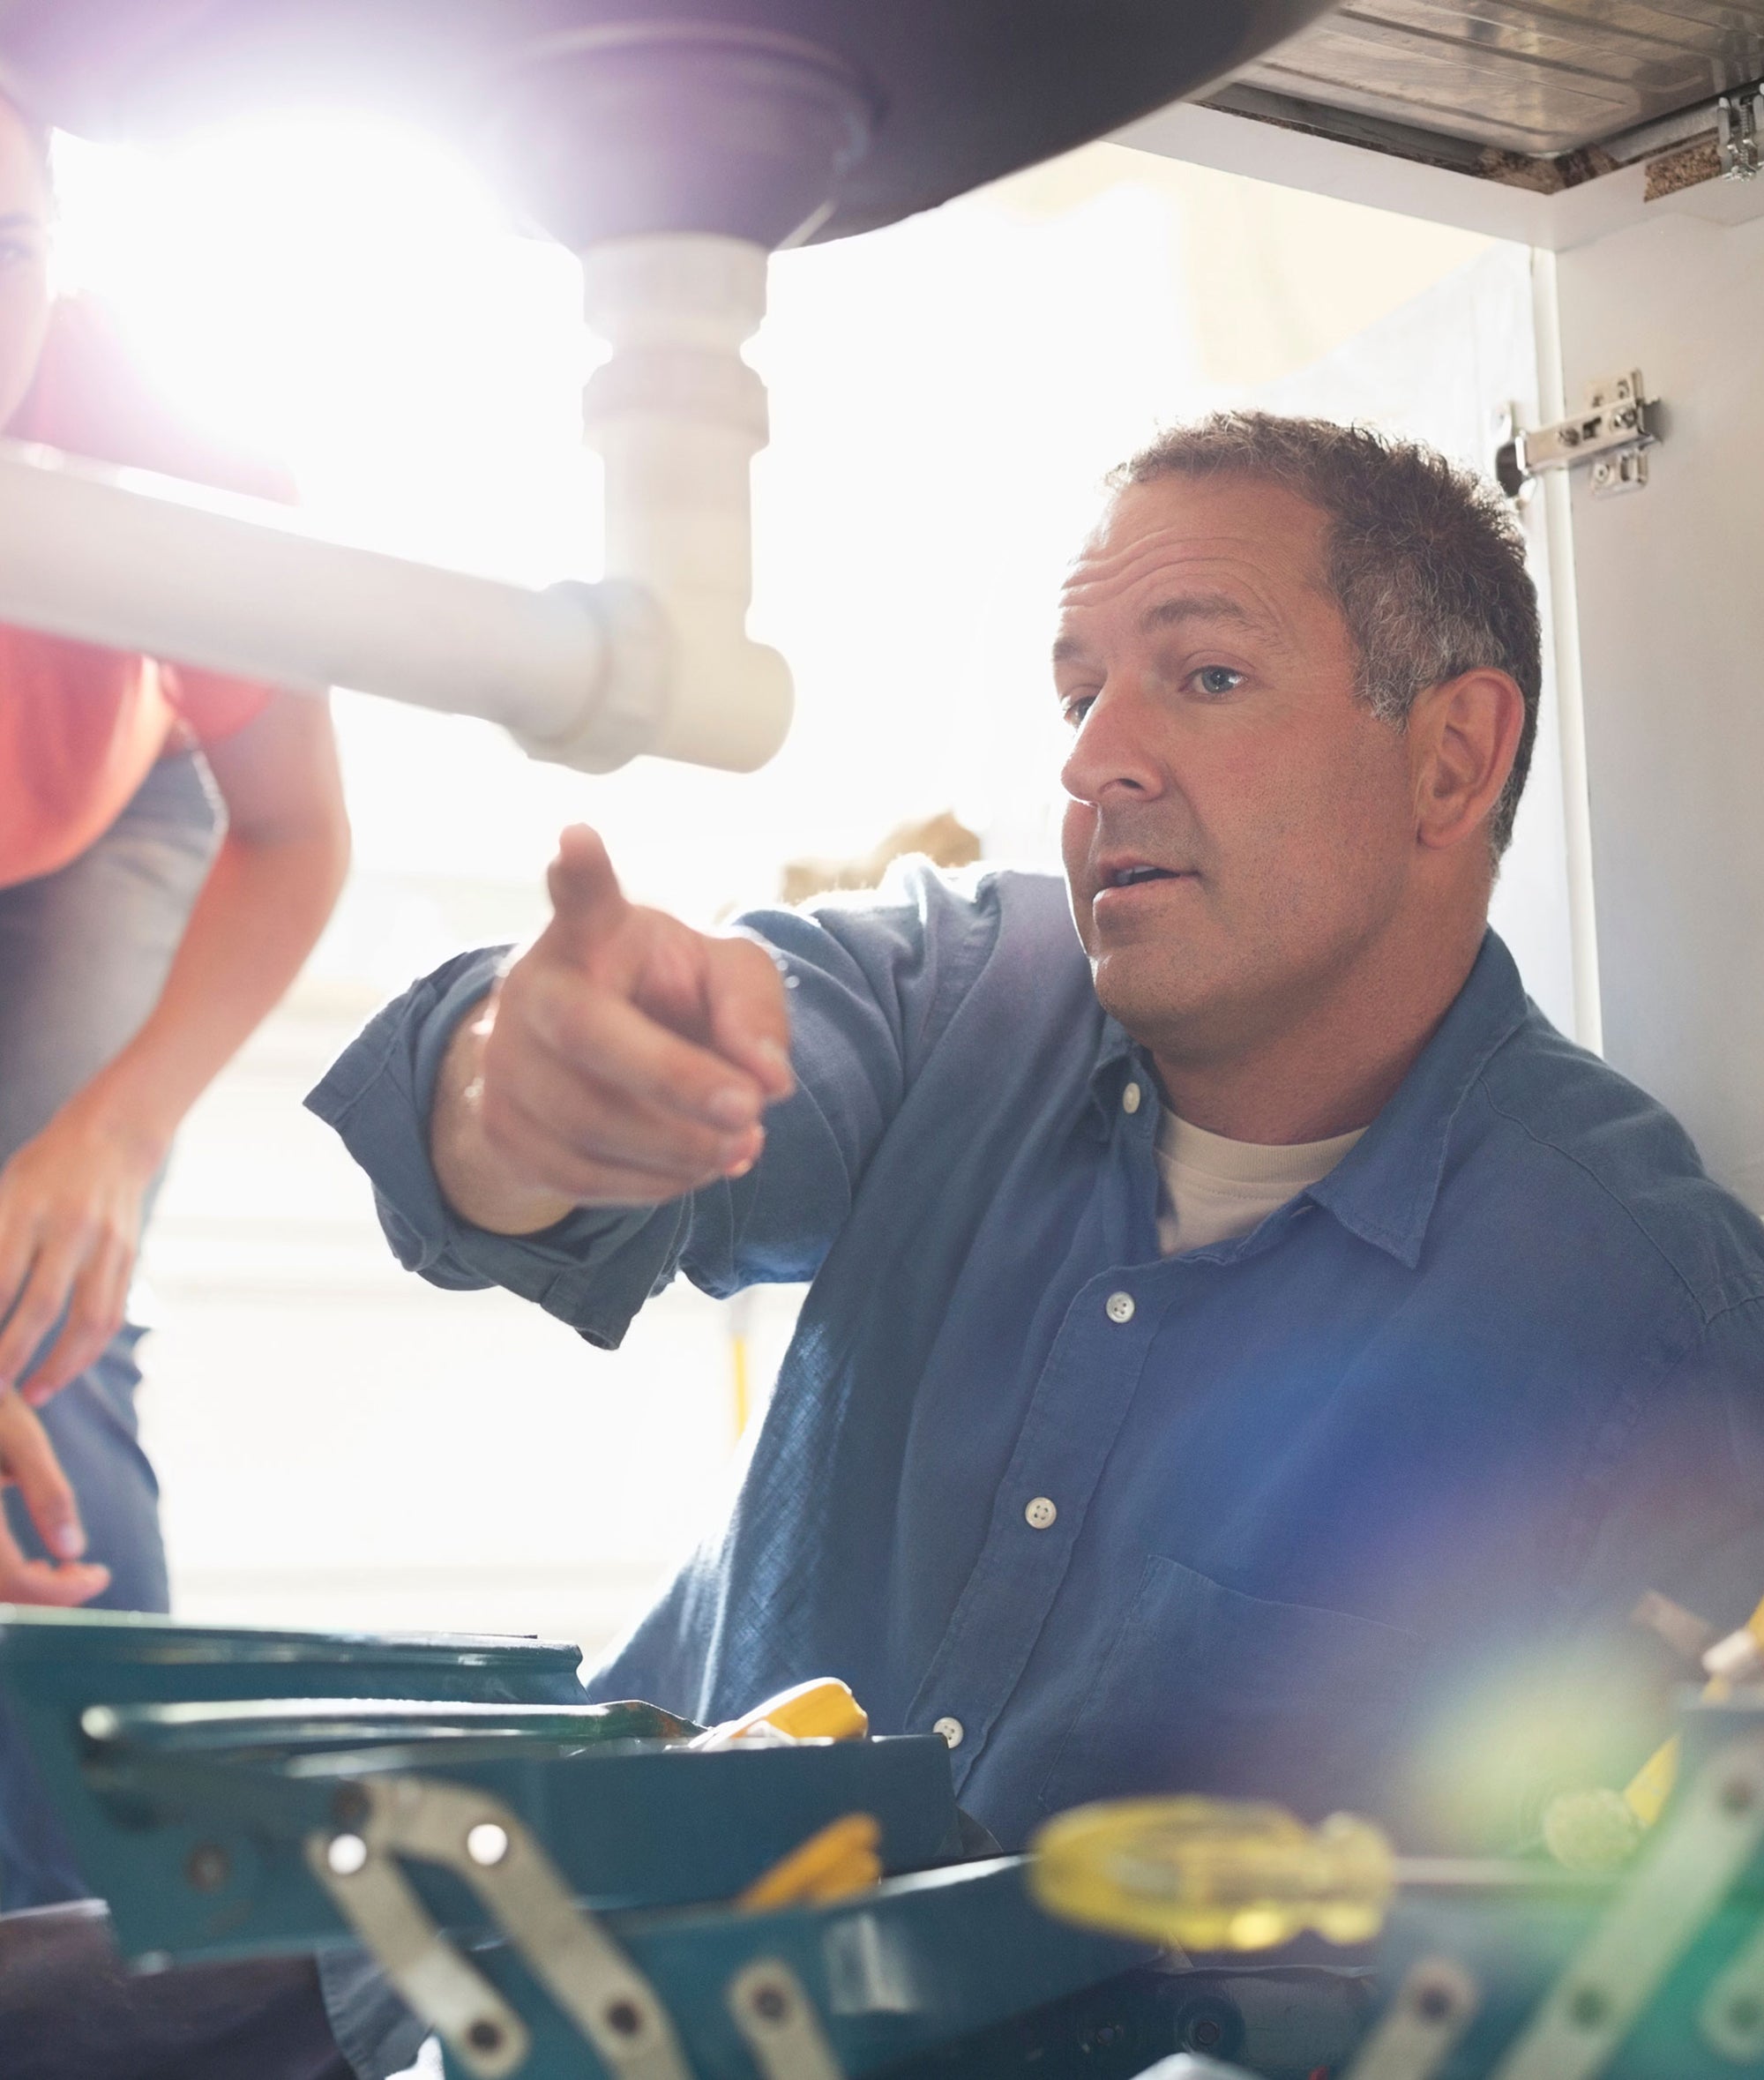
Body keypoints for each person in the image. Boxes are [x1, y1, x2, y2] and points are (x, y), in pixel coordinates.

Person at [311, 411, 1764, 1866]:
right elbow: (645, 1084)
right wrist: (517, 1090)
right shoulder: (959, 994)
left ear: (1453, 758)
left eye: (1205, 676)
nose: (1094, 763)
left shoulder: (1642, 1318)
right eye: (1078, 698)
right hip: (527, 1939)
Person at [0, 95, 351, 1906]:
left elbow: (292, 834)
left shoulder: (174, 446)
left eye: (3, 251)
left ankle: (96, 1945)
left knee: (35, 1322)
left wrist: (111, 1137)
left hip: (109, 814)